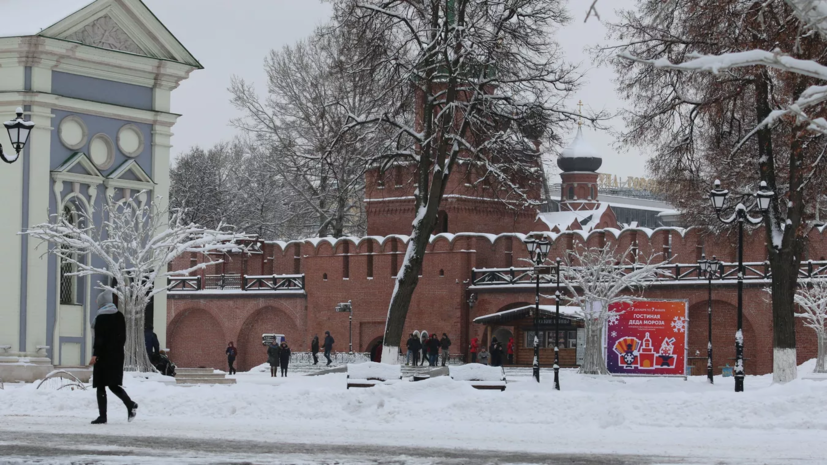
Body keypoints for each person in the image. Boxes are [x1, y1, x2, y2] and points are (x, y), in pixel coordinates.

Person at [89, 290, 138, 425]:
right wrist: (116, 350)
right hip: (116, 356)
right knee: (113, 384)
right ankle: (130, 404)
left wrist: (95, 355)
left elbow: (99, 339)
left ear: (102, 302)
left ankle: (102, 416)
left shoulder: (100, 318)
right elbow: (122, 337)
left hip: (103, 356)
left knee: (100, 386)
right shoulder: (119, 316)